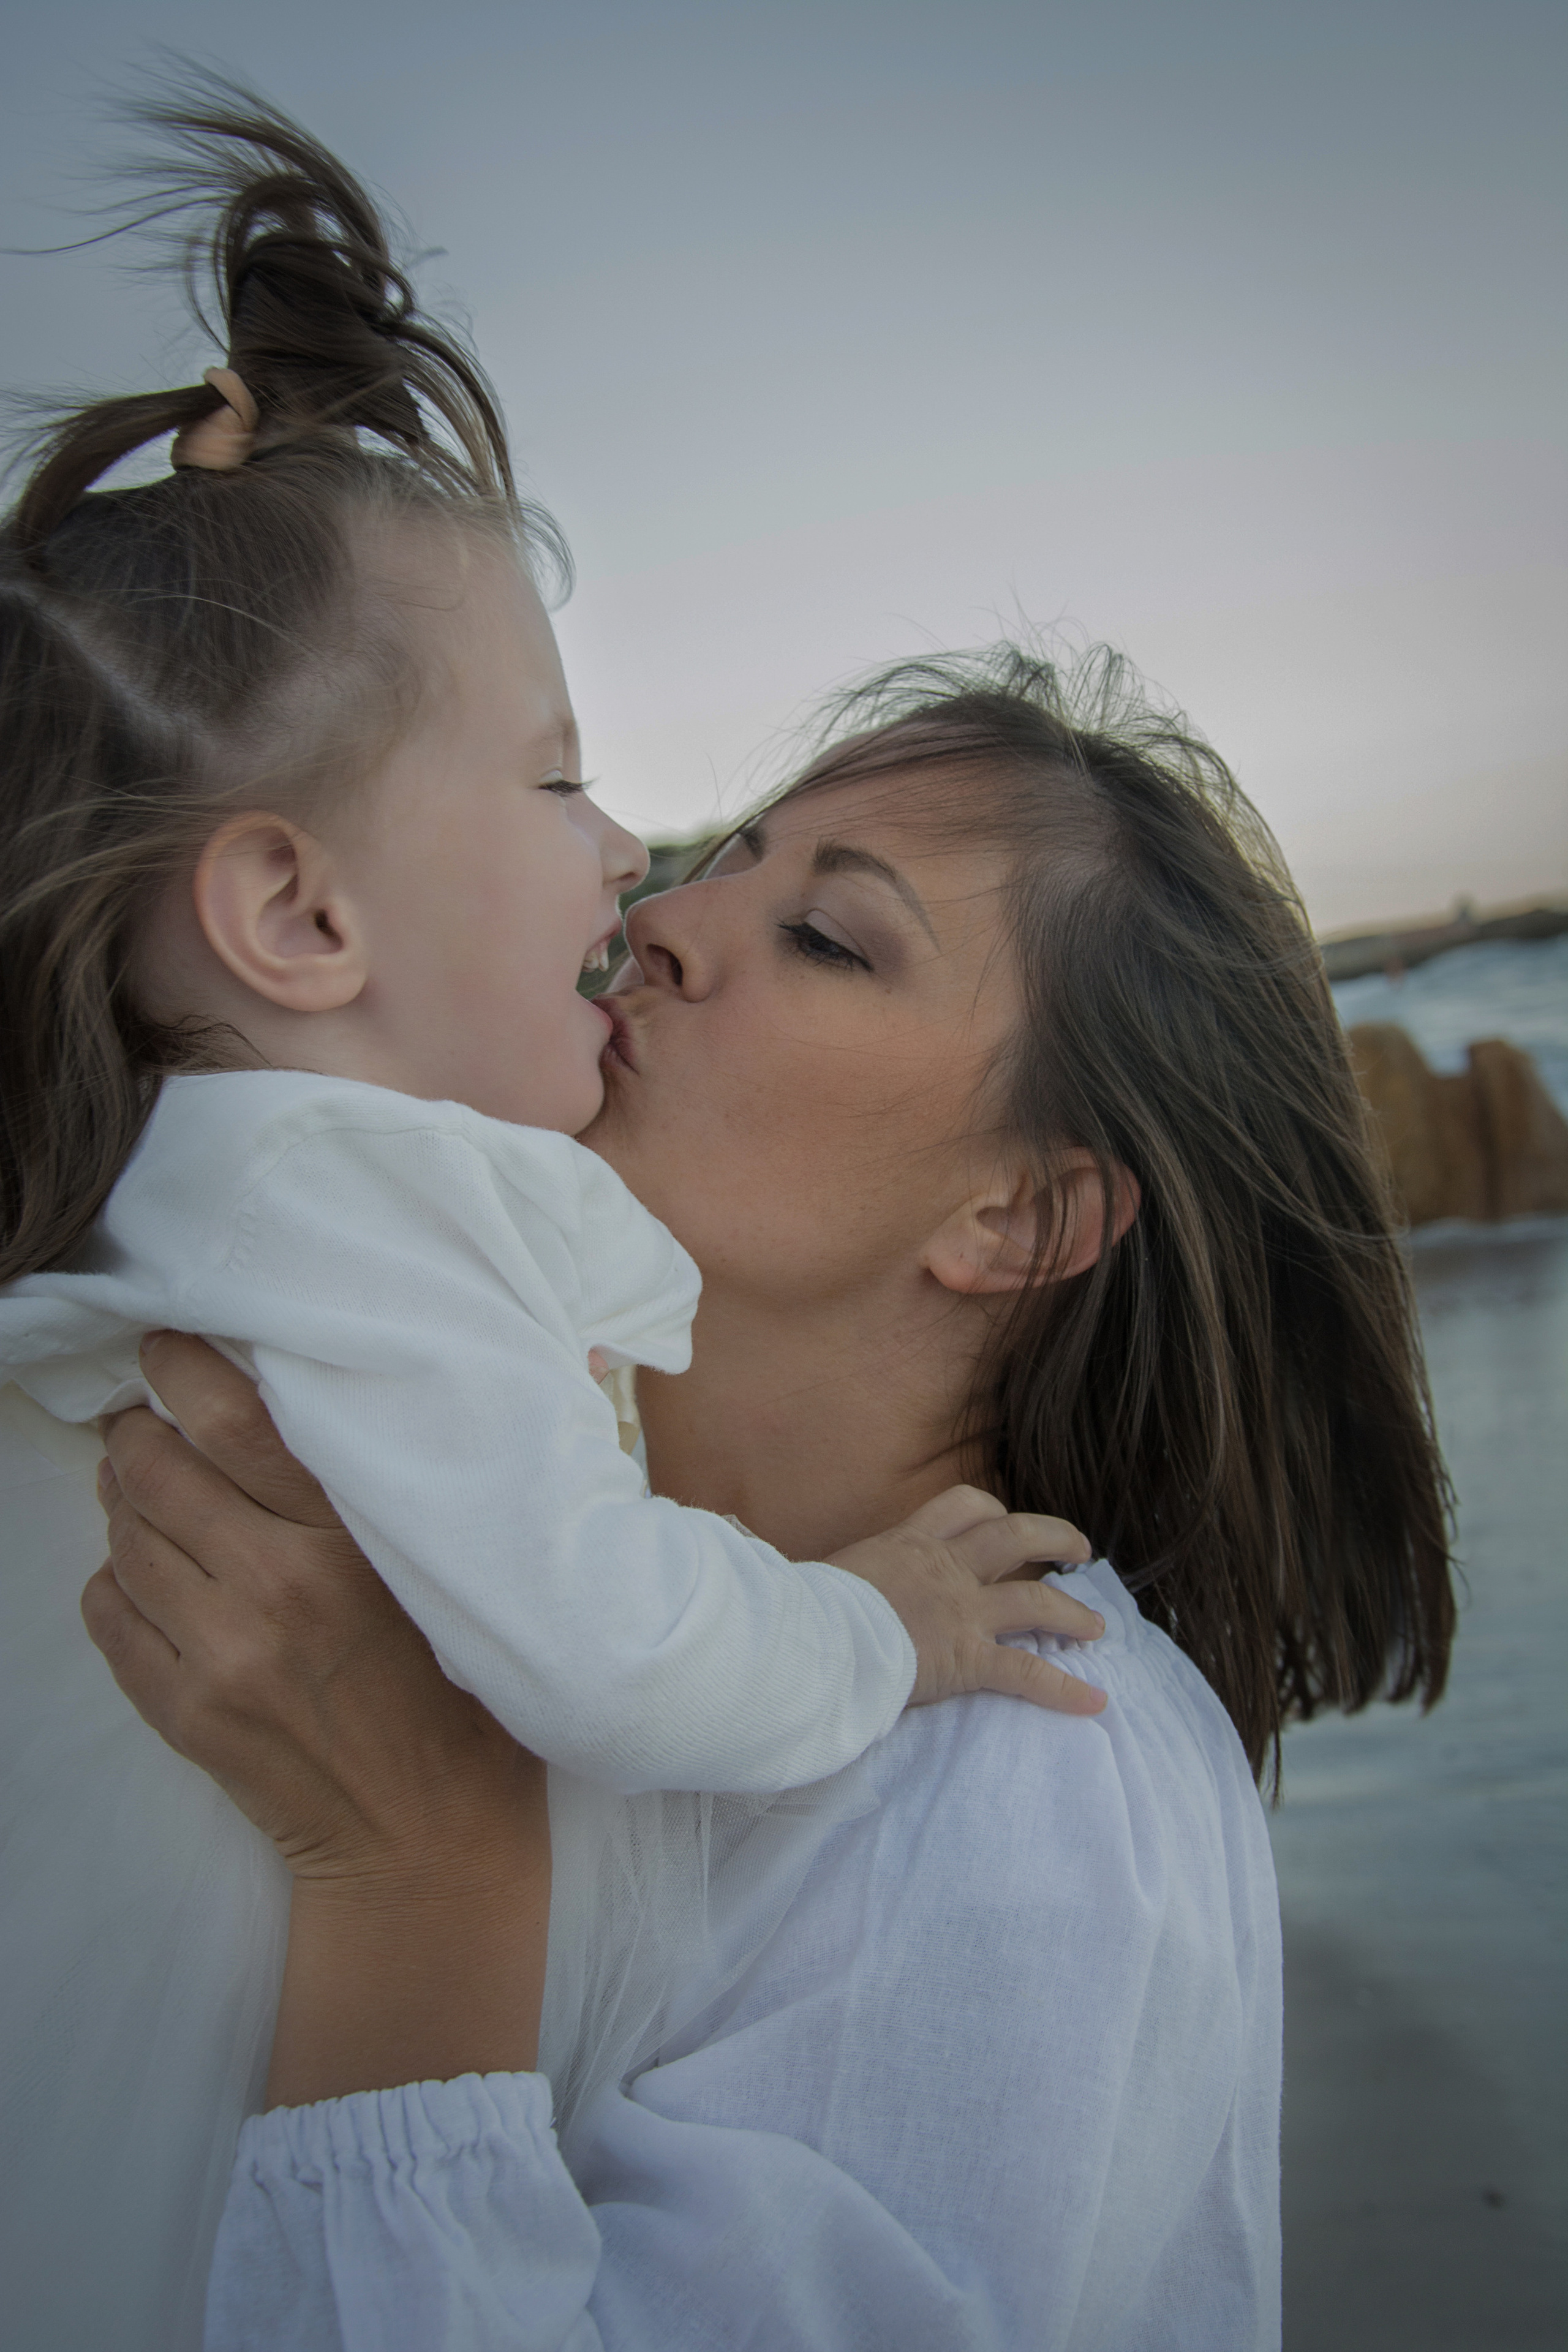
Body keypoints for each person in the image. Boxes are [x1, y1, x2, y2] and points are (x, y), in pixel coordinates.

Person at [0, 89, 1104, 2352]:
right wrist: (876, 1625)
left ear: (1034, 1213)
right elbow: (609, 1644)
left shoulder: (230, 1194)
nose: (636, 866)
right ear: (297, 911)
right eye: (553, 778)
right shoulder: (364, 1207)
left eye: (828, 933)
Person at [89, 638, 1456, 2347]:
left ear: (1019, 1221)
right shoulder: (511, 1579)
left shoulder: (1018, 1781)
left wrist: (420, 1878)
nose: (663, 913)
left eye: (827, 936)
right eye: (730, 853)